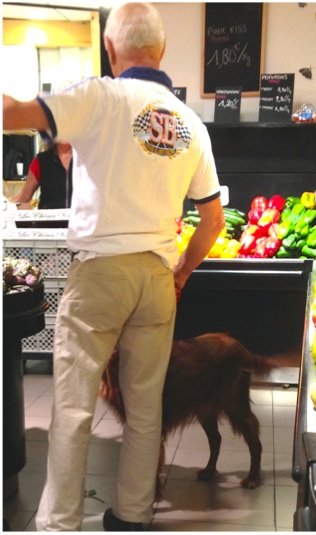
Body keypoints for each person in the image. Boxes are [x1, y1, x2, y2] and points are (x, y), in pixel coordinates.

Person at [3, 2, 225, 531]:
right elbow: (213, 222)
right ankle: (131, 515)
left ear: (109, 47)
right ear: (162, 50)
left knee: (75, 406)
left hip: (99, 274)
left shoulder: (97, 96)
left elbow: (11, 114)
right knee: (145, 409)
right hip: (155, 277)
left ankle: (59, 522)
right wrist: (181, 273)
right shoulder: (191, 122)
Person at [12, 141, 73, 210]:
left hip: (80, 219)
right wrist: (7, 206)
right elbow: (25, 195)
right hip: (49, 218)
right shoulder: (41, 160)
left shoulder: (84, 159)